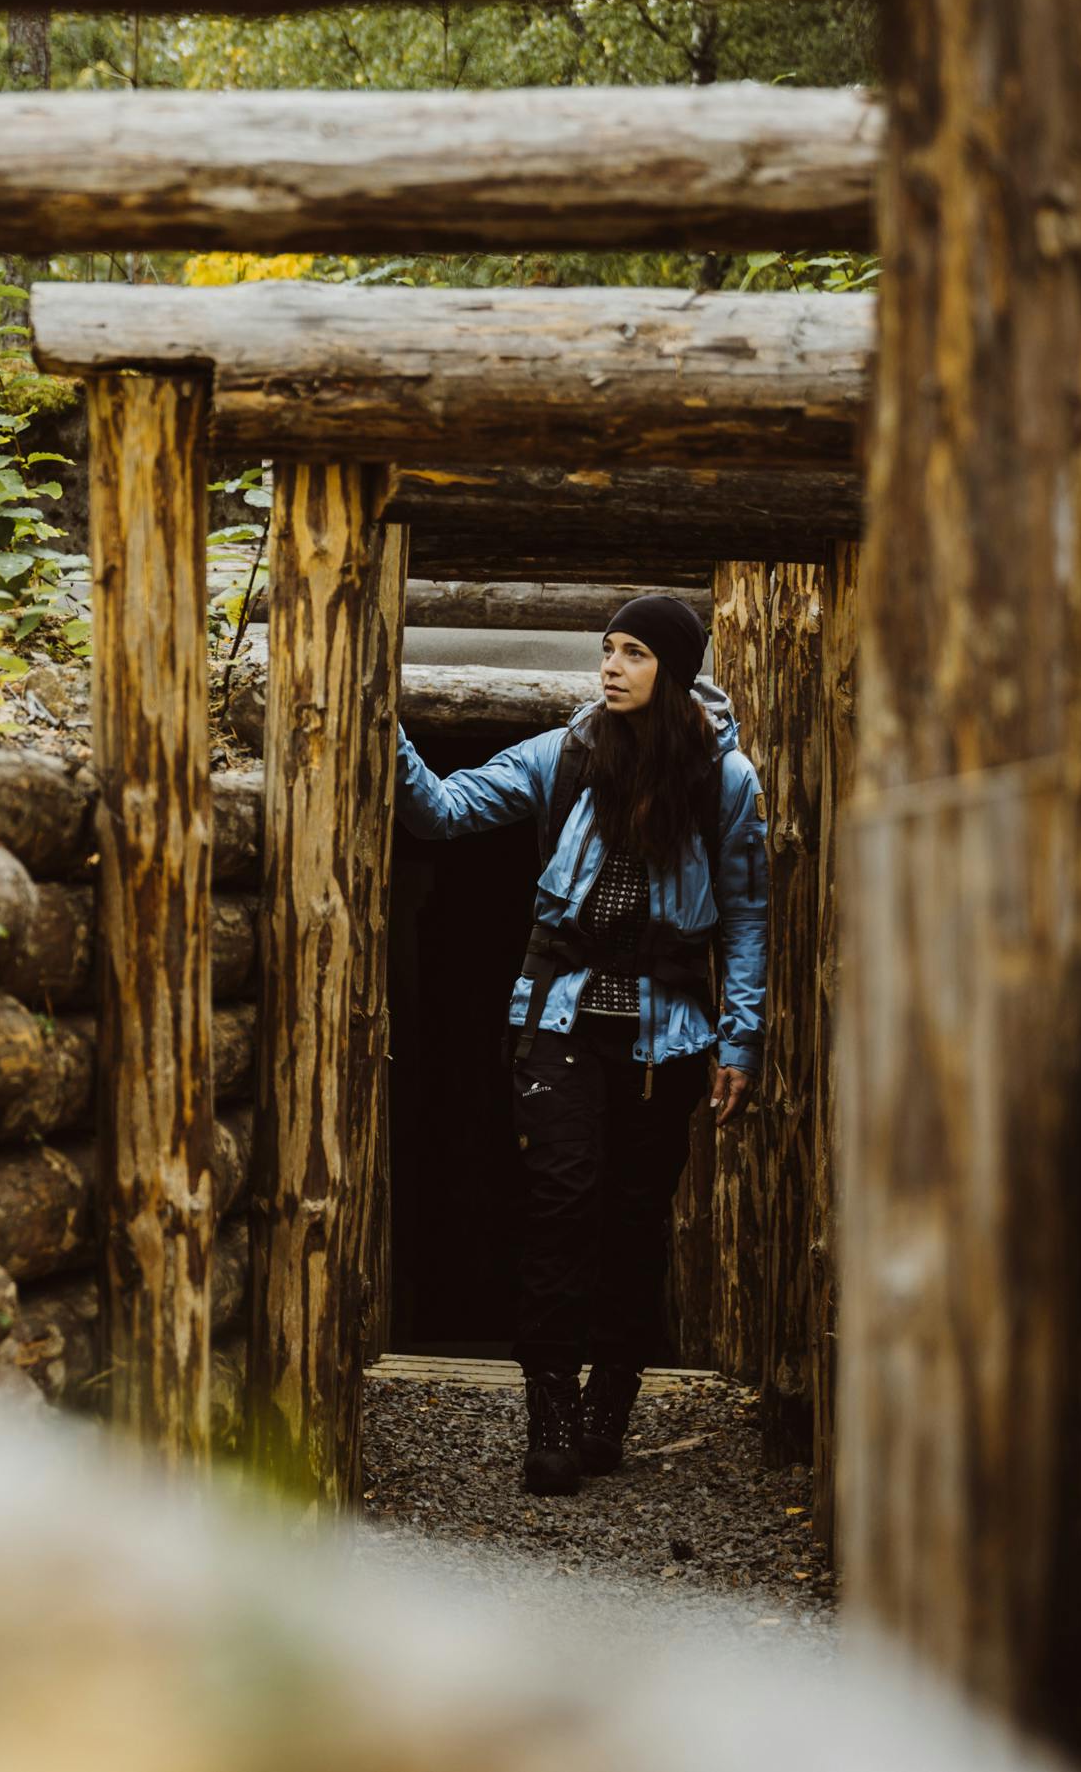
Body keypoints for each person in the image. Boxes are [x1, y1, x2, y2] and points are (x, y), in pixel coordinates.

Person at [394, 593, 766, 1497]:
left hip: (665, 1037)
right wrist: (382, 718)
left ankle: (610, 1408)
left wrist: (740, 1040)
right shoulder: (565, 753)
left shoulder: (725, 779)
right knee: (562, 1208)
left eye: (633, 652)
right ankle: (553, 1419)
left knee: (635, 1222)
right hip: (557, 1023)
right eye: (606, 649)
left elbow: (748, 913)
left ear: (671, 669)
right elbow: (441, 810)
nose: (609, 666)